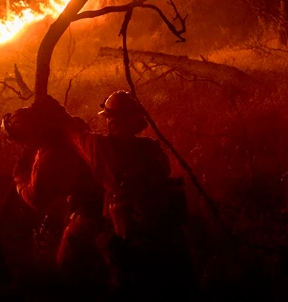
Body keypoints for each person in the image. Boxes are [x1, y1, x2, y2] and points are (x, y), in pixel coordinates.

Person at [61, 90, 193, 299]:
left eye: (109, 118)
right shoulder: (152, 150)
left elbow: (74, 135)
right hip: (169, 245)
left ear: (112, 121)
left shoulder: (101, 148)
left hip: (132, 243)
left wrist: (58, 113)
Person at [3, 98, 108, 292]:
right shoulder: (73, 128)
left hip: (86, 214)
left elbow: (36, 197)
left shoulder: (49, 153)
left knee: (68, 266)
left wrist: (20, 178)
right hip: (101, 205)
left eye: (22, 139)